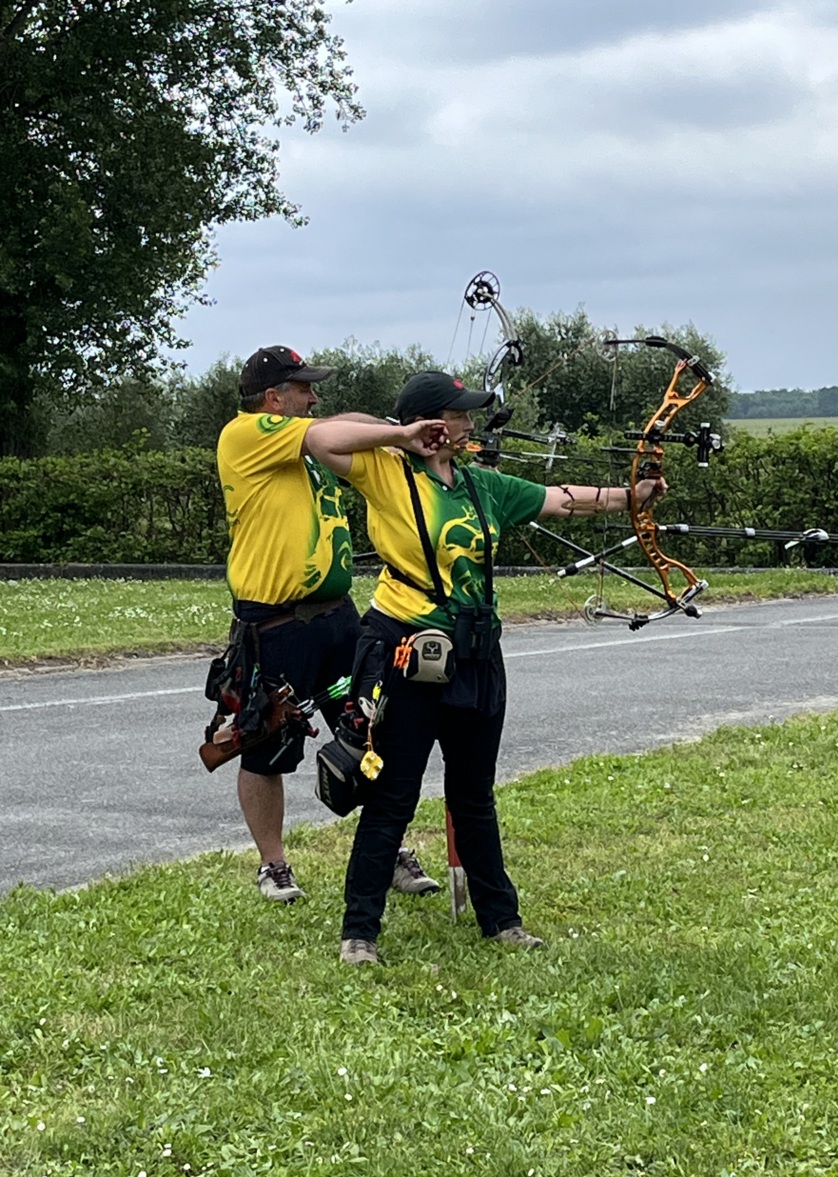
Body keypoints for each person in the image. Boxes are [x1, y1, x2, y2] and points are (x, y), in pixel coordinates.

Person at [304, 370, 667, 965]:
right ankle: (359, 932)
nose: (470, 425)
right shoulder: (386, 471)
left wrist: (633, 496)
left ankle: (501, 920)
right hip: (406, 651)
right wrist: (400, 436)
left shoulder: (482, 484)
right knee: (392, 797)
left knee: (473, 796)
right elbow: (321, 437)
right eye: (459, 415)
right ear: (430, 422)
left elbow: (560, 499)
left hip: (475, 655)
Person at [216, 345, 446, 903]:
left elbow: (342, 424)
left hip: (337, 619)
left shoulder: (307, 440)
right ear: (274, 399)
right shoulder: (244, 434)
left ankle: (387, 850)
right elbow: (327, 430)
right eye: (304, 389)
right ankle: (273, 865)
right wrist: (401, 434)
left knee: (370, 728)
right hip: (275, 623)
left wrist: (399, 430)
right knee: (265, 743)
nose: (314, 398)